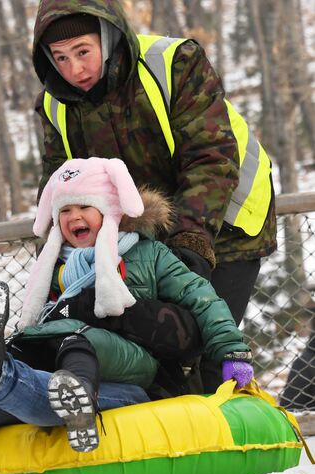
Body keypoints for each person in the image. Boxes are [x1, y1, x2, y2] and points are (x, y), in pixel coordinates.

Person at [0, 157, 254, 474]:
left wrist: (231, 351)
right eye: (65, 210)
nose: (74, 217)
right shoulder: (55, 267)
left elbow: (202, 296)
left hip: (128, 368)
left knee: (76, 338)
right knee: (17, 358)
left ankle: (59, 387)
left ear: (109, 209)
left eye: (85, 206)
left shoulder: (147, 255)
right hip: (55, 364)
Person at [32, 0, 277, 393]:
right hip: (144, 231)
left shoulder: (174, 63)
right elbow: (61, 186)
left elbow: (210, 157)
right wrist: (53, 259)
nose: (74, 69)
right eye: (59, 58)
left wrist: (192, 241)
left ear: (108, 38)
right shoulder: (55, 105)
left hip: (228, 215)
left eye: (82, 52)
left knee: (207, 342)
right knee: (155, 350)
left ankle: (229, 430)